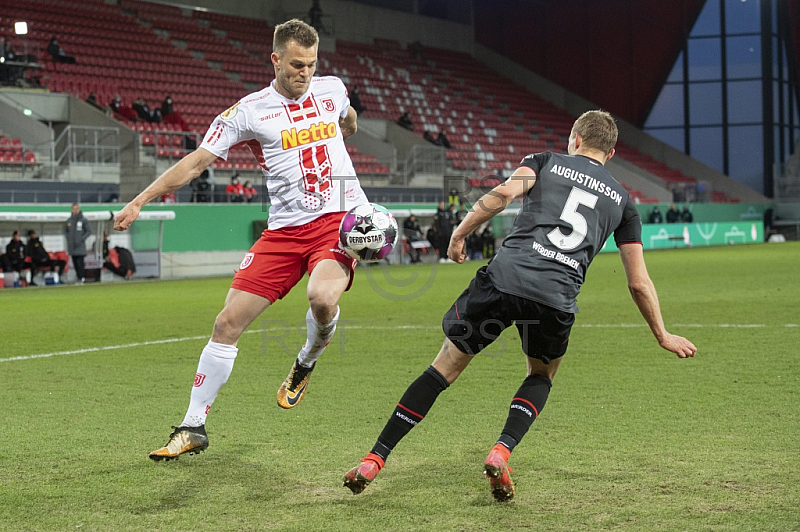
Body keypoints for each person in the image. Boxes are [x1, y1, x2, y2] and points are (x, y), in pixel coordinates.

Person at [342, 110, 696, 502]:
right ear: (610, 154)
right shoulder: (624, 204)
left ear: (574, 138)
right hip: (555, 297)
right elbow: (637, 281)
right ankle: (501, 450)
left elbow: (504, 194)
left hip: (504, 279)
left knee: (444, 367)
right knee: (541, 376)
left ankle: (375, 458)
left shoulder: (545, 162)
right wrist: (661, 334)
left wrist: (460, 234)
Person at [113, 19, 367, 461]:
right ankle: (192, 427)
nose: (304, 73)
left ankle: (305, 361)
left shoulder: (333, 88)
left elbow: (347, 115)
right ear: (275, 59)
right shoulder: (248, 111)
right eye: (294, 65)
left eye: (310, 64)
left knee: (323, 299)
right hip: (284, 230)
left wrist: (348, 126)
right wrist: (140, 201)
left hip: (338, 220)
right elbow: (195, 164)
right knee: (226, 324)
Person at [65, 203, 92, 284]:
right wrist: (69, 239)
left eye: (77, 209)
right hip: (72, 247)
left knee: (80, 263)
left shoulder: (83, 220)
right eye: (74, 209)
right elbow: (66, 232)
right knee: (75, 263)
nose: (75, 210)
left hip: (80, 246)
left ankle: (81, 278)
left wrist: (81, 239)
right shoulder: (69, 221)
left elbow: (88, 231)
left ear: (79, 209)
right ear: (72, 209)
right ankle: (78, 278)